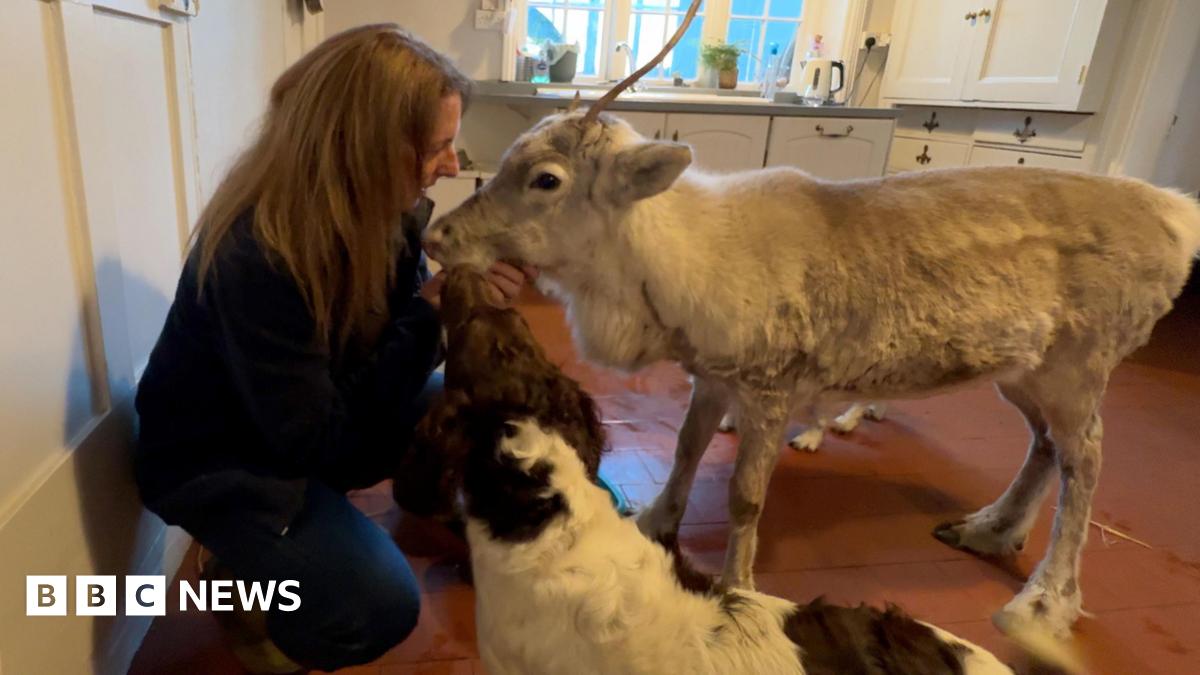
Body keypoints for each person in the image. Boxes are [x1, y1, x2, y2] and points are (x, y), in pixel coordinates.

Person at [133, 25, 533, 673]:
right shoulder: (258, 255)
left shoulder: (385, 212)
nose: (454, 165)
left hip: (301, 421)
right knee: (372, 604)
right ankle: (240, 579)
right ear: (364, 148)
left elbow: (381, 352)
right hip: (220, 460)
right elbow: (320, 441)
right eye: (438, 146)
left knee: (465, 414)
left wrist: (460, 300)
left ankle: (322, 533)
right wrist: (431, 313)